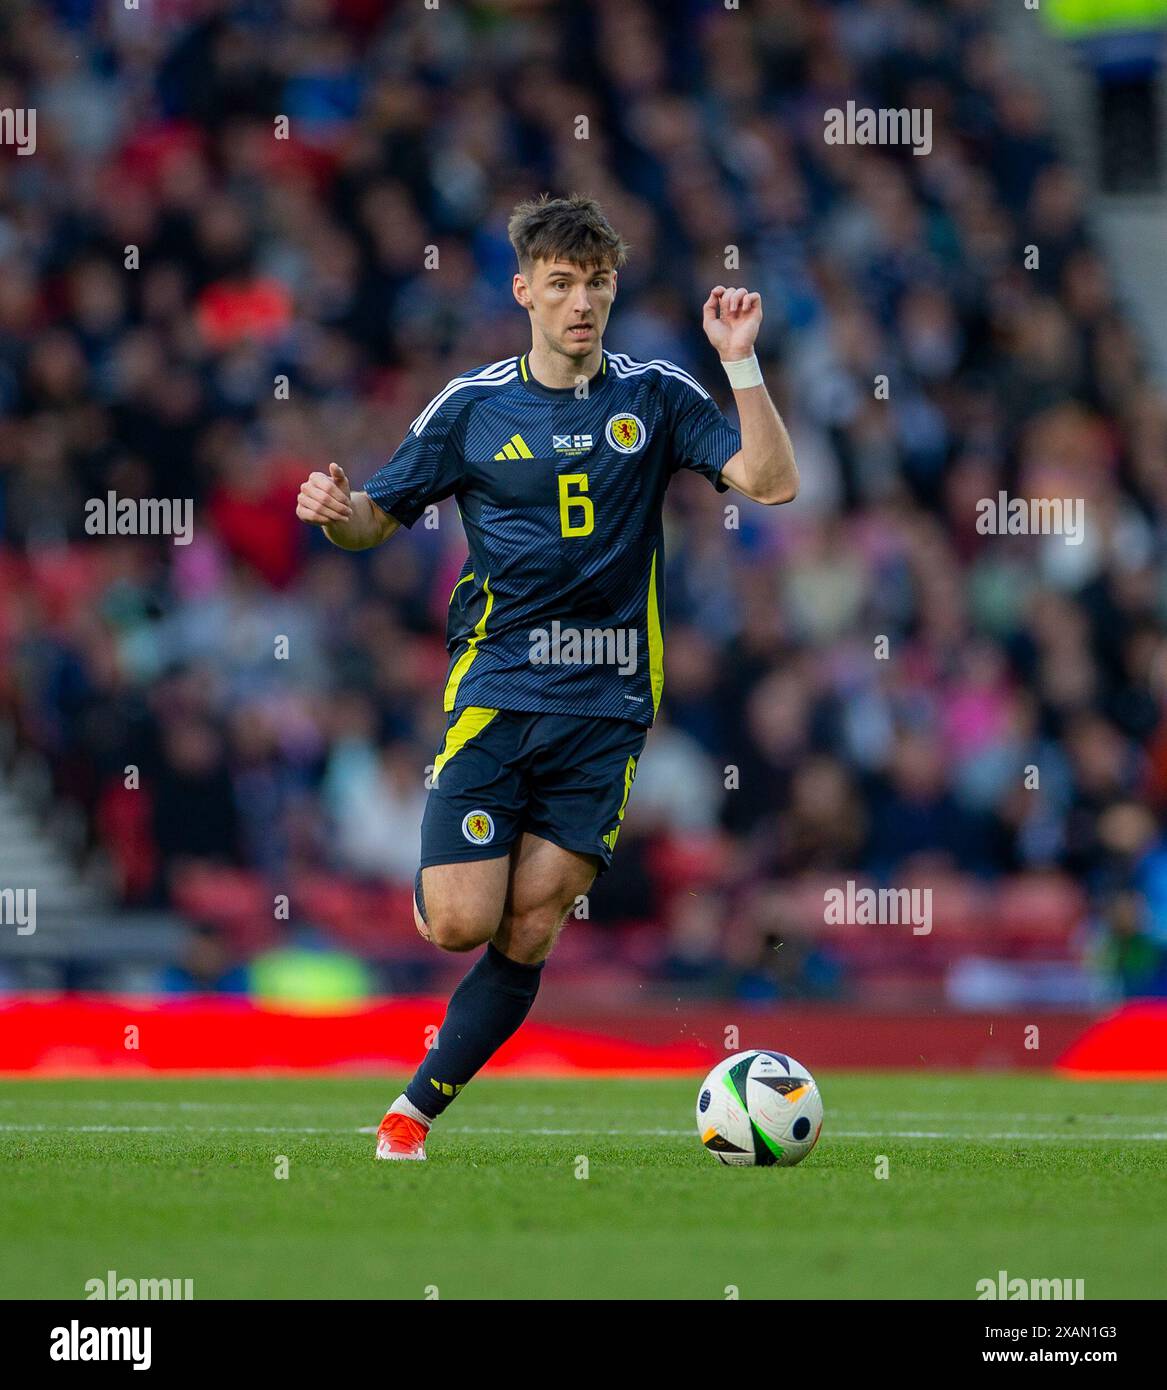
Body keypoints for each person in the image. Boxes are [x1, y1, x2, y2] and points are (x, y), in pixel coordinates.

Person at [295, 193, 799, 1159]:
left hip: (607, 709)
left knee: (529, 932)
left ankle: (409, 1116)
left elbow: (771, 482)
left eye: (597, 284)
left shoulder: (654, 395)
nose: (581, 303)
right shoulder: (471, 406)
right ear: (524, 291)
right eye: (561, 285)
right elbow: (373, 520)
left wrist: (738, 361)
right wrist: (334, 507)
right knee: (458, 923)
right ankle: (437, 873)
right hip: (497, 692)